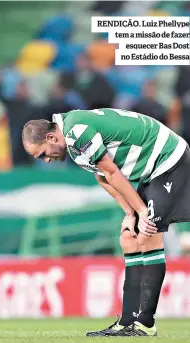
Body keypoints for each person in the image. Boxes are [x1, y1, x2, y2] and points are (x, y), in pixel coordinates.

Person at [22, 108, 190, 337]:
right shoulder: (72, 140)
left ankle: (146, 324)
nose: (46, 160)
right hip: (151, 169)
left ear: (51, 137)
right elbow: (102, 177)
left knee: (148, 234)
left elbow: (111, 172)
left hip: (168, 160)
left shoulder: (76, 132)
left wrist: (140, 210)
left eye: (43, 154)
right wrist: (130, 213)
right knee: (129, 238)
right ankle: (128, 320)